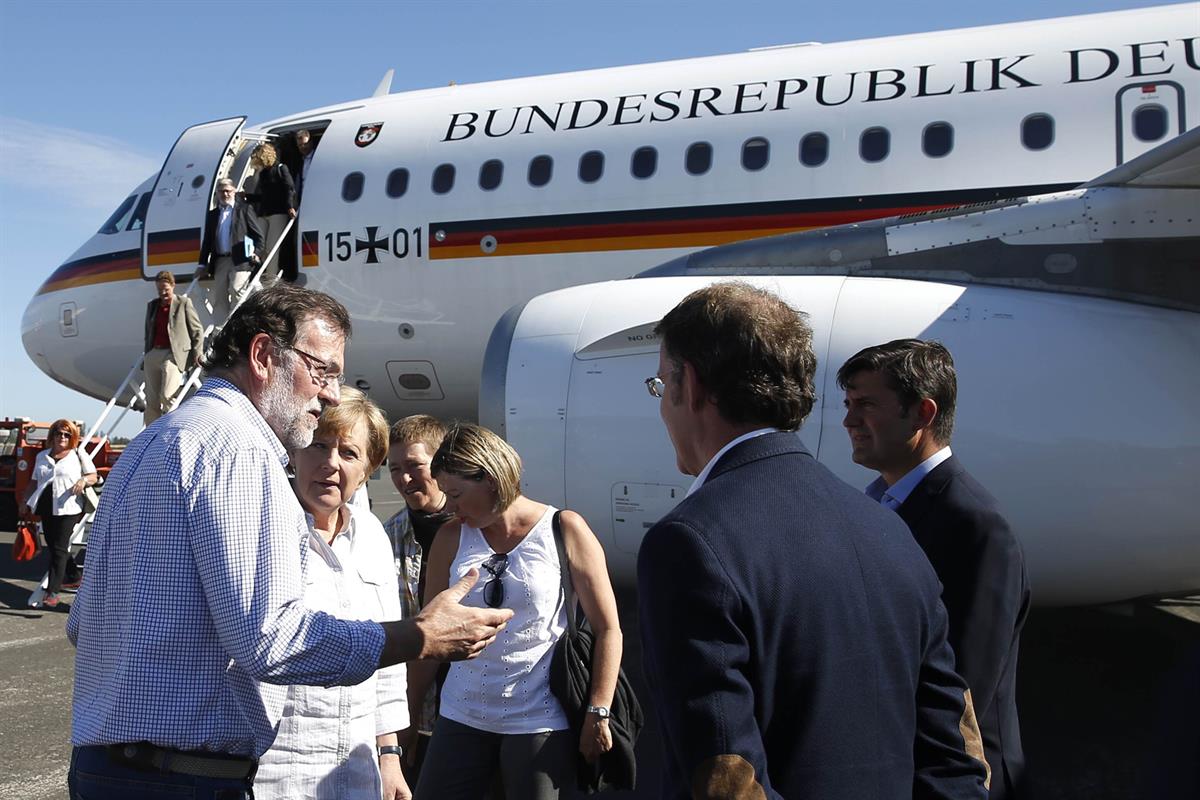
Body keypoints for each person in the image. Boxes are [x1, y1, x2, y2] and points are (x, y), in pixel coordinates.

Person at [67, 284, 512, 800]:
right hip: (180, 777)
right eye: (322, 371)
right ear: (262, 356)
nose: (328, 394)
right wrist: (420, 637)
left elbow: (84, 623)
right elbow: (272, 640)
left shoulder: (153, 441)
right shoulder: (240, 452)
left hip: (112, 767)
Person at [638, 281, 989, 799]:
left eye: (659, 384)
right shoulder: (889, 527)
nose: (662, 405)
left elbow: (723, 779)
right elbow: (957, 754)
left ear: (688, 385)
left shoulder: (690, 542)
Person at [839, 339, 1031, 800]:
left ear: (923, 413)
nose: (848, 421)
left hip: (954, 779)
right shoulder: (873, 504)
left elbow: (964, 687)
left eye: (865, 404)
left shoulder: (976, 524)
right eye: (848, 404)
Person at [414, 423, 623, 800]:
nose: (450, 506)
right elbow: (428, 635)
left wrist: (599, 710)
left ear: (491, 480)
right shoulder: (450, 538)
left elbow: (609, 629)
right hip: (460, 717)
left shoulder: (565, 529)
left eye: (457, 493)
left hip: (538, 721)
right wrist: (407, 717)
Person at [256, 387, 412, 800]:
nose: (329, 463)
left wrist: (390, 756)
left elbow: (388, 661)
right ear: (294, 452)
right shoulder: (263, 528)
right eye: (318, 446)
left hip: (356, 770)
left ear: (368, 469)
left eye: (348, 453)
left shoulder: (374, 536)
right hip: (276, 769)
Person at [383, 414, 456, 779]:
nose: (403, 479)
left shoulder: (476, 529)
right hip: (416, 713)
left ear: (441, 462)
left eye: (414, 466)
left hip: (475, 711)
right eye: (394, 468)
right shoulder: (388, 537)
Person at [21, 419, 97, 609]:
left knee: (60, 546)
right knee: (54, 545)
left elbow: (93, 476)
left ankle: (52, 591)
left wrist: (83, 480)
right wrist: (24, 501)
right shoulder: (41, 456)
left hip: (69, 507)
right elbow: (34, 481)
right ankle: (74, 576)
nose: (62, 437)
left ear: (72, 437)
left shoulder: (78, 454)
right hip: (46, 506)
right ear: (52, 436)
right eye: (59, 433)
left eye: (67, 434)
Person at [198, 178, 264, 322]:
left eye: (228, 191)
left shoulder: (244, 209)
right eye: (221, 191)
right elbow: (207, 241)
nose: (225, 194)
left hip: (241, 260)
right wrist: (202, 264)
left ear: (234, 191)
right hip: (221, 260)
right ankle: (222, 328)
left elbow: (258, 236)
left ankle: (238, 325)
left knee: (236, 291)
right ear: (217, 193)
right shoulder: (213, 215)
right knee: (219, 296)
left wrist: (256, 253)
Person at [142, 270, 204, 425]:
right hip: (154, 353)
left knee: (167, 395)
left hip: (173, 354)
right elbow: (148, 332)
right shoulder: (153, 306)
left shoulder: (183, 303)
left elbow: (197, 330)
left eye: (166, 289)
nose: (163, 293)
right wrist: (147, 354)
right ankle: (151, 435)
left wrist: (198, 352)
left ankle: (172, 428)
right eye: (160, 290)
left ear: (173, 286)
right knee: (151, 401)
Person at [243, 142, 297, 283]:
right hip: (264, 212)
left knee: (273, 248)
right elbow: (264, 197)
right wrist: (248, 197)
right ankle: (260, 275)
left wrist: (290, 206)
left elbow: (289, 188)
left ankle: (271, 281)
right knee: (259, 246)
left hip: (278, 213)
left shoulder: (280, 169)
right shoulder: (264, 174)